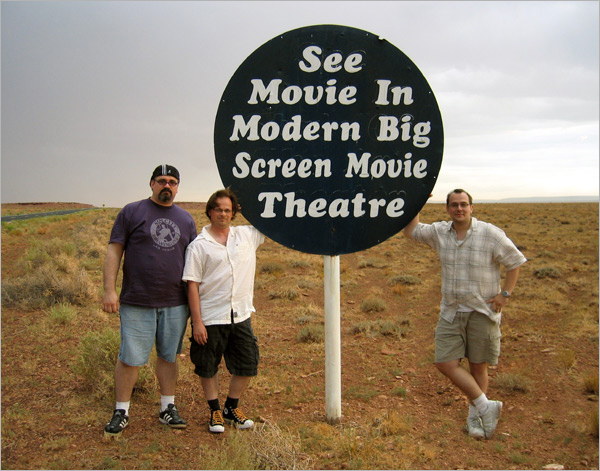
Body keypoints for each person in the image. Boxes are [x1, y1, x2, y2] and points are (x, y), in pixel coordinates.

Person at [403, 189, 526, 439]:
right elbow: (411, 231)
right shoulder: (439, 233)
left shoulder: (490, 233)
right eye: (454, 205)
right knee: (444, 362)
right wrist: (417, 201)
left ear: (472, 207)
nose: (459, 209)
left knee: (478, 367)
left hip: (483, 311)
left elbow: (515, 262)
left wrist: (505, 294)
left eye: (464, 204)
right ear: (447, 208)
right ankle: (486, 406)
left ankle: (477, 420)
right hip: (451, 311)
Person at [102, 164, 197, 438]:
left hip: (175, 302)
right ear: (151, 184)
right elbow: (114, 251)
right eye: (161, 181)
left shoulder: (186, 220)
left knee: (169, 356)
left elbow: (194, 262)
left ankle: (168, 407)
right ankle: (121, 410)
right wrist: (110, 290)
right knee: (130, 358)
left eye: (172, 182)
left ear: (178, 186)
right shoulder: (132, 212)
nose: (167, 186)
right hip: (137, 300)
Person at [182, 188, 265, 433]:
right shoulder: (199, 246)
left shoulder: (247, 236)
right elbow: (192, 285)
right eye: (218, 209)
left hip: (240, 314)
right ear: (210, 211)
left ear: (234, 213)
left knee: (247, 363)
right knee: (208, 365)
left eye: (228, 209)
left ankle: (231, 407)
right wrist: (197, 322)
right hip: (210, 316)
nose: (223, 213)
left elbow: (268, 217)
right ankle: (215, 410)